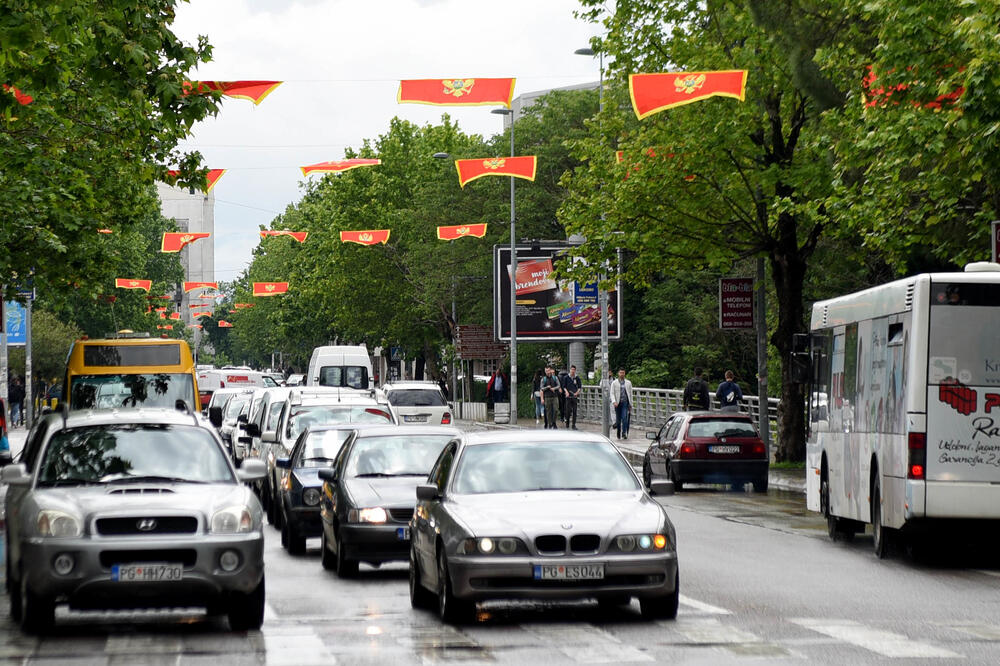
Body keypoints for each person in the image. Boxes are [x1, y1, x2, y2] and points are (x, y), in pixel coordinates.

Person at [611, 368, 634, 439]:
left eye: (623, 373)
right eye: (620, 373)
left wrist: (631, 404)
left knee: (624, 418)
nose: (622, 374)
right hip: (617, 403)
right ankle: (618, 431)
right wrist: (614, 401)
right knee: (618, 420)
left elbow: (630, 394)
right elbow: (612, 393)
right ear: (618, 373)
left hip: (625, 402)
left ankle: (624, 432)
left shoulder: (628, 383)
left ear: (625, 373)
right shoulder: (614, 383)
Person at [562, 365, 583, 429]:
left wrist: (577, 392)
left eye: (574, 369)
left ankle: (573, 424)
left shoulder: (577, 378)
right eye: (572, 369)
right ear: (570, 370)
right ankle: (567, 423)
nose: (573, 371)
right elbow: (564, 387)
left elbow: (579, 387)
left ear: (575, 370)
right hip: (568, 397)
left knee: (574, 411)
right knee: (568, 411)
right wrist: (566, 392)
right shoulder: (566, 377)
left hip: (574, 397)